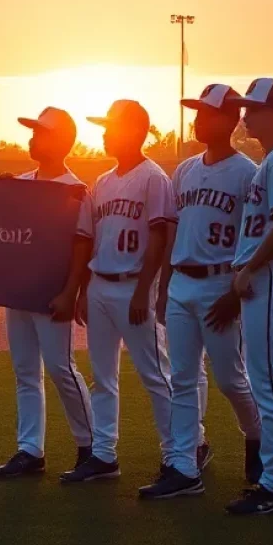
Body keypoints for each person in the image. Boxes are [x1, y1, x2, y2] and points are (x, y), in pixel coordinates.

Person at [138, 84, 262, 501]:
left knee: (231, 379)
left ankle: (257, 435)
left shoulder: (247, 172)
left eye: (206, 113)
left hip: (220, 282)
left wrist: (235, 287)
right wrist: (164, 287)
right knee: (183, 379)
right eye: (196, 112)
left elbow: (255, 237)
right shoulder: (185, 170)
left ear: (230, 120)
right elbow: (173, 232)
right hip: (182, 283)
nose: (198, 119)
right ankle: (183, 466)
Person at [54, 100, 177, 484]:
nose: (105, 133)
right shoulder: (102, 183)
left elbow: (159, 237)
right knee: (103, 377)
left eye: (111, 126)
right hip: (101, 287)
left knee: (155, 375)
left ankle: (179, 455)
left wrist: (145, 290)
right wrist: (84, 290)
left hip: (132, 287)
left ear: (135, 131)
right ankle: (104, 455)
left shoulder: (153, 177)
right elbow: (91, 239)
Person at [208, 78, 273, 516]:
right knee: (268, 380)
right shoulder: (271, 160)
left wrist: (248, 266)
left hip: (269, 276)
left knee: (268, 382)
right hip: (265, 277)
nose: (245, 114)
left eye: (256, 107)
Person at [0, 107, 94, 479]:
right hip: (19, 291)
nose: (32, 138)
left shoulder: (76, 189)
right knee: (25, 371)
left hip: (52, 294)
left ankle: (92, 446)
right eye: (32, 132)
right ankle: (30, 450)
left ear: (63, 140)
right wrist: (0, 193)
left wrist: (71, 292)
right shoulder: (20, 182)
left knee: (61, 368)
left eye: (40, 133)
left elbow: (82, 247)